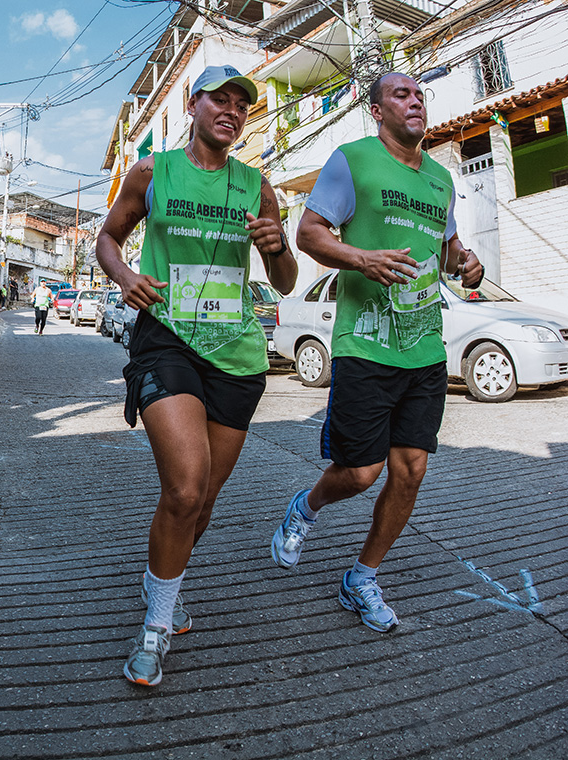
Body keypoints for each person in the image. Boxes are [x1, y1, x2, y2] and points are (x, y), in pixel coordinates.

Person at [95, 65, 297, 687]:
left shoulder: (258, 187)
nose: (232, 110)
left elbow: (286, 281)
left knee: (203, 498)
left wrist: (276, 245)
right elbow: (108, 238)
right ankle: (156, 624)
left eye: (242, 103)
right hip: (167, 342)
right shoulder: (153, 173)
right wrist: (125, 277)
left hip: (237, 356)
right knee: (184, 488)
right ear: (193, 104)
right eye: (220, 98)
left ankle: (166, 577)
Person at [269, 72, 482, 632]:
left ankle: (361, 577)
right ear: (377, 110)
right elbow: (310, 234)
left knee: (410, 471)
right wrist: (363, 259)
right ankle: (307, 507)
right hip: (364, 342)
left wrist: (466, 262)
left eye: (420, 95)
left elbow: (450, 246)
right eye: (400, 95)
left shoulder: (440, 179)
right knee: (361, 472)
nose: (414, 102)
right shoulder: (352, 159)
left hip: (425, 347)